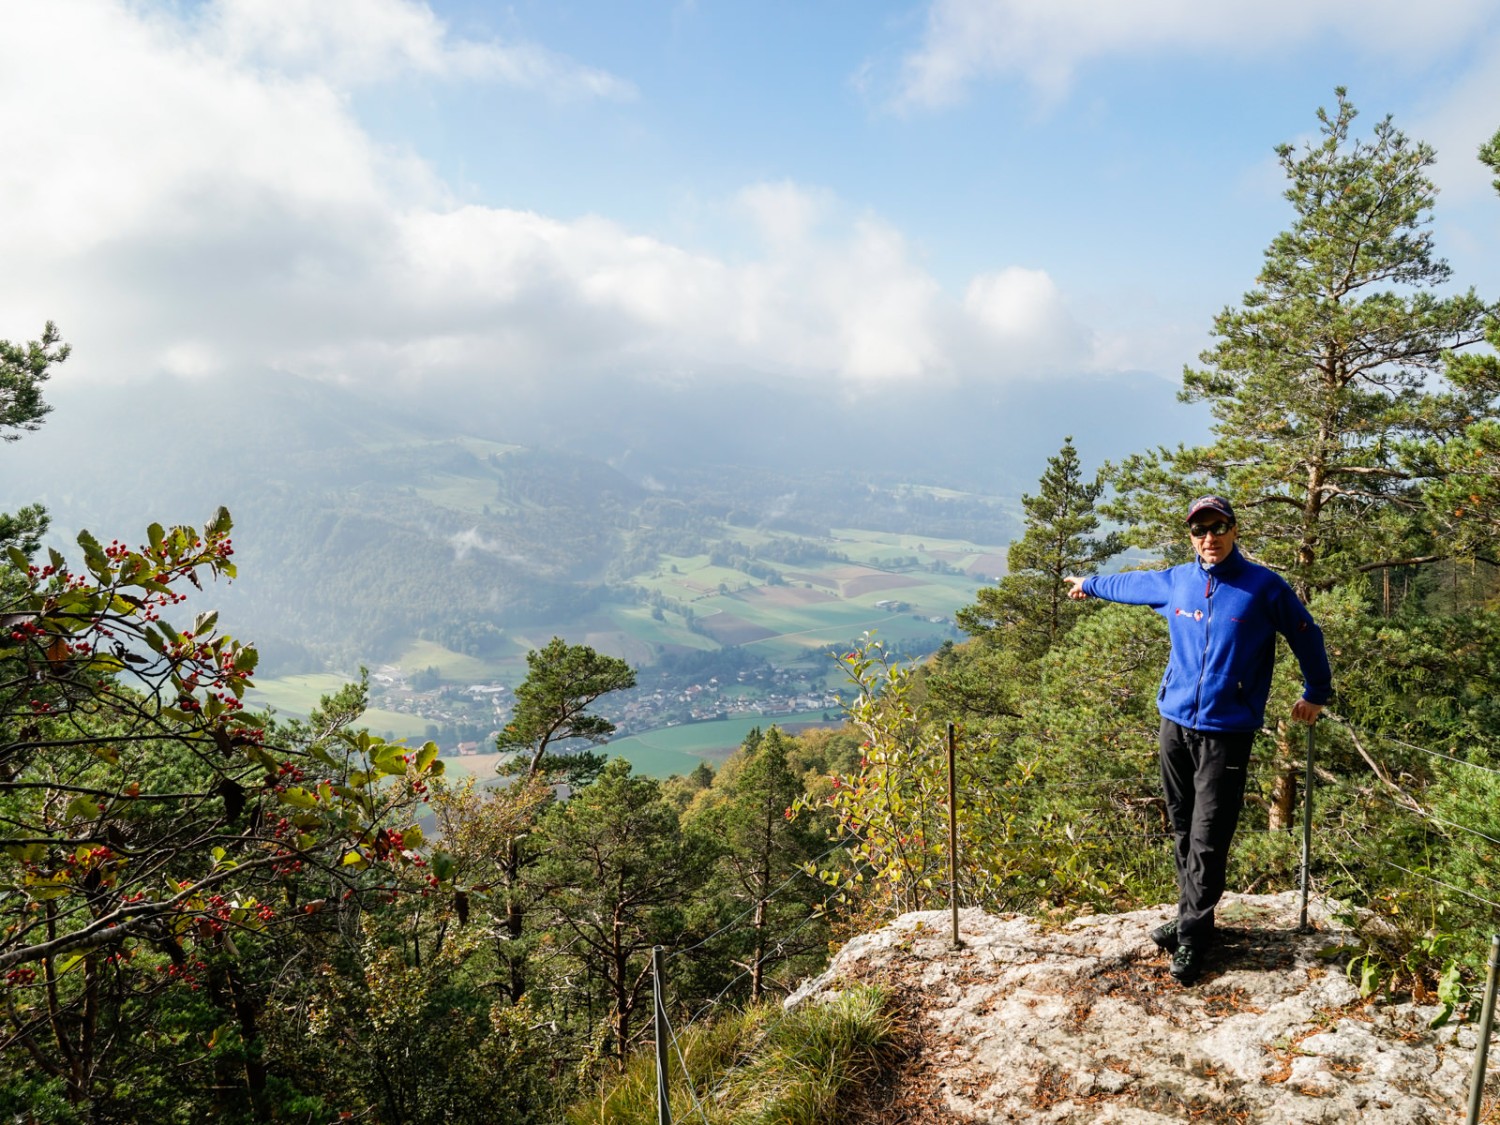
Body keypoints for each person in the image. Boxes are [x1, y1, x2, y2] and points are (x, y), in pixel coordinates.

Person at [1063, 495, 1331, 985]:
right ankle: (1194, 915)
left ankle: (1193, 937)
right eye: (1199, 529)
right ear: (1191, 535)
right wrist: (1089, 585)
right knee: (1183, 827)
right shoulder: (1177, 581)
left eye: (1218, 526)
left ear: (1234, 529)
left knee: (1209, 835)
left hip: (1227, 731)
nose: (1209, 537)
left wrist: (1316, 692)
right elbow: (1129, 584)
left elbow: (1305, 634)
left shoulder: (1263, 587)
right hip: (1175, 723)